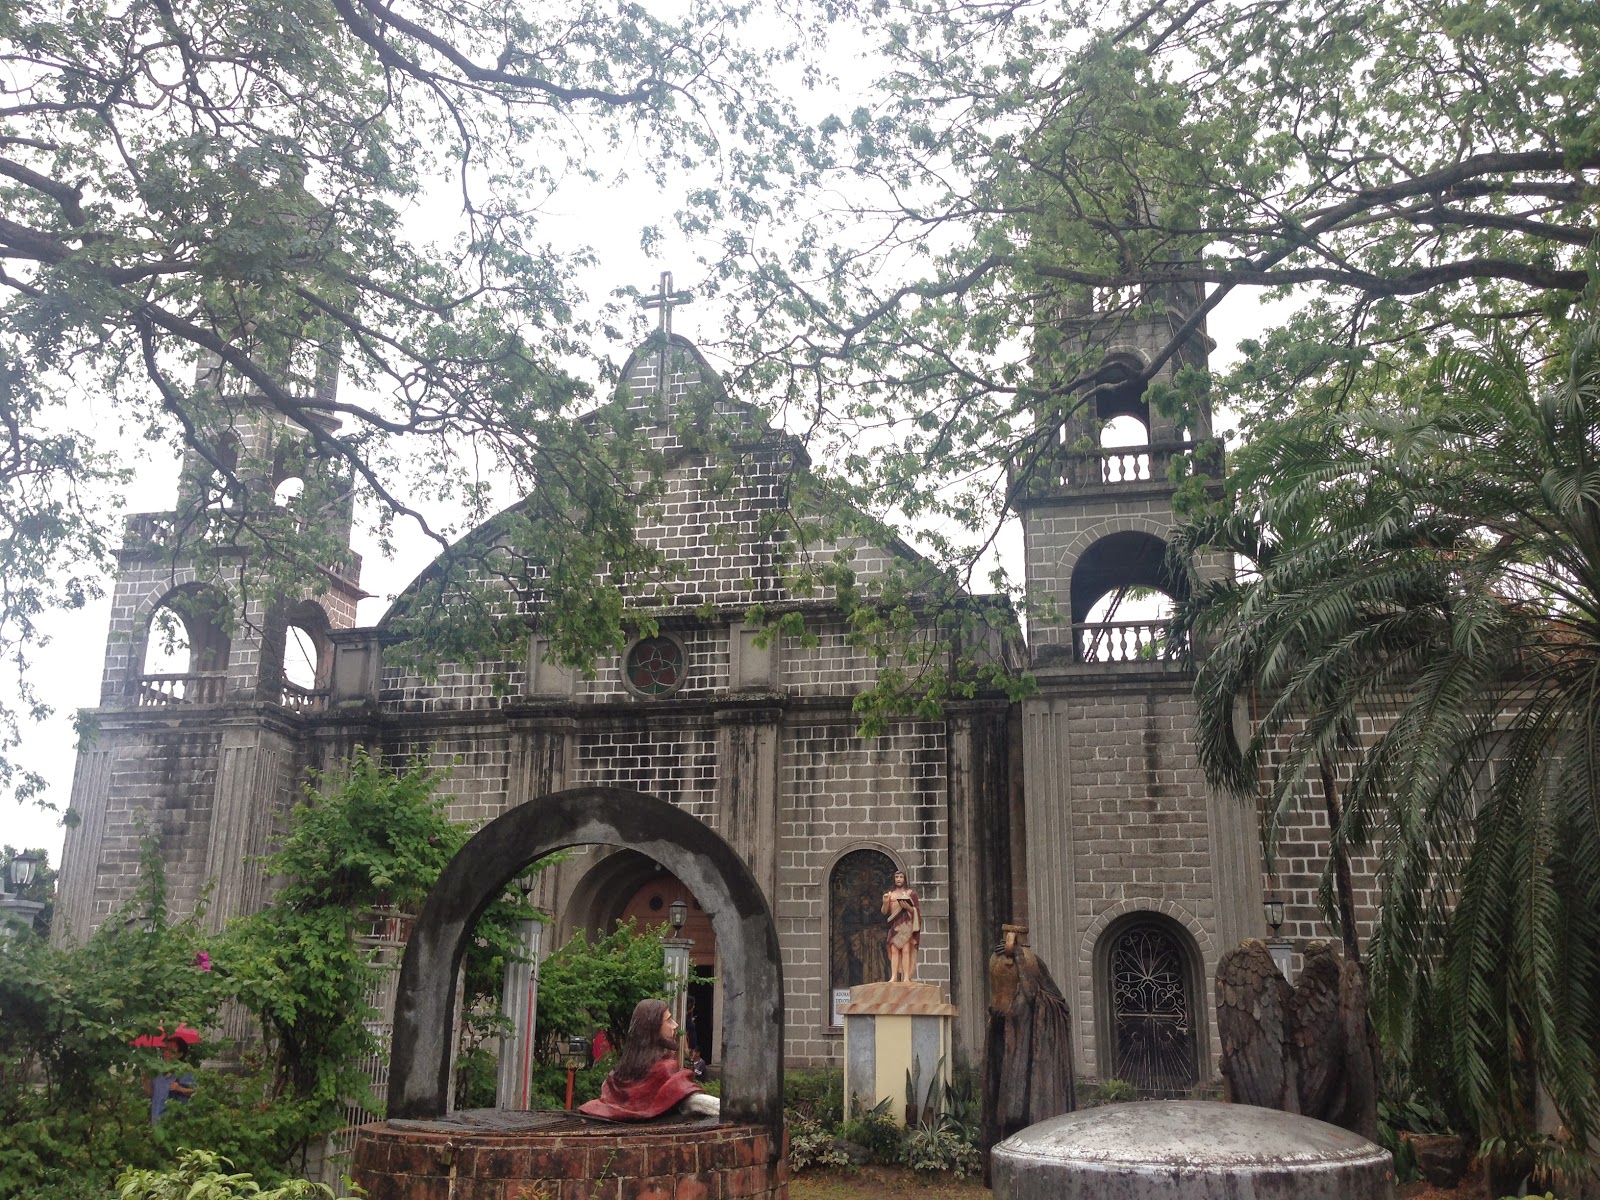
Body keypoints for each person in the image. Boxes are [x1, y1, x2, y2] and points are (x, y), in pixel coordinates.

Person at [981, 923, 1075, 1183]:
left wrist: (1022, 962)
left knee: (1023, 1112)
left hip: (1033, 1059)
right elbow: (998, 1007)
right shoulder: (999, 965)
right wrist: (1001, 1018)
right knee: (1005, 1111)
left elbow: (1056, 1005)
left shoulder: (1034, 967)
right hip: (1008, 1053)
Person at [579, 999, 719, 1120]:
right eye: (668, 1020)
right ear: (653, 1027)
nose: (675, 1025)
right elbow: (686, 1096)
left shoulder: (616, 1076)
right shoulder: (664, 1070)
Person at [145, 1036, 197, 1124]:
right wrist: (145, 1079)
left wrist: (179, 1088)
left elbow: (196, 1092)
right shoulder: (157, 1071)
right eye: (165, 1049)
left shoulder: (183, 1071)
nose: (166, 1052)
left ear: (180, 1054)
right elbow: (150, 1094)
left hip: (174, 1123)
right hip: (156, 1121)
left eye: (171, 1050)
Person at [881, 870, 921, 982]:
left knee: (906, 950)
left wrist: (908, 908)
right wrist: (885, 902)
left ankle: (906, 977)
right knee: (894, 950)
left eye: (901, 877)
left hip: (906, 924)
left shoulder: (910, 894)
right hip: (894, 925)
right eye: (897, 877)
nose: (898, 879)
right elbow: (885, 912)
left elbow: (916, 910)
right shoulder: (890, 895)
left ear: (905, 879)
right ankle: (894, 976)